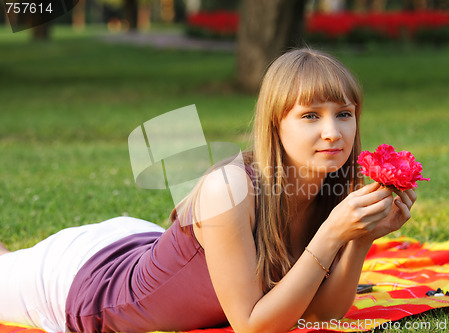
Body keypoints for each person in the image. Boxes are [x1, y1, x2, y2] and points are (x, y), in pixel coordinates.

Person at [0, 48, 417, 333]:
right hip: (85, 284)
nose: (333, 132)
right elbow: (253, 327)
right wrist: (331, 235)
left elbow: (320, 314)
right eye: (311, 115)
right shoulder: (229, 189)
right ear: (276, 124)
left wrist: (359, 236)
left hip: (138, 242)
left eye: (344, 113)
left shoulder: (332, 189)